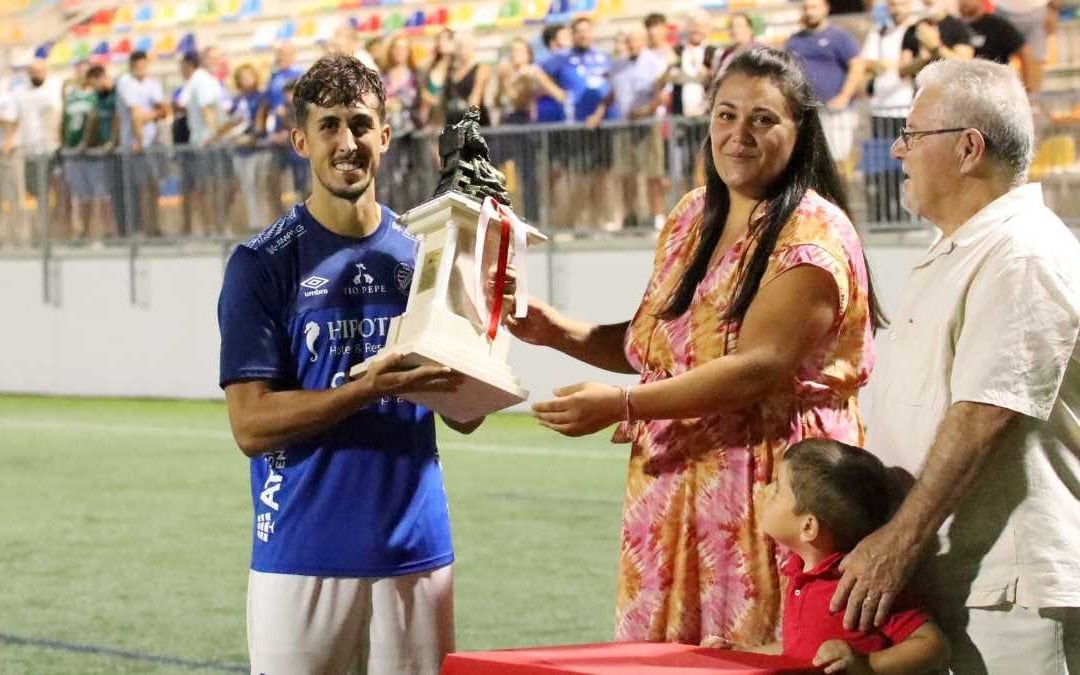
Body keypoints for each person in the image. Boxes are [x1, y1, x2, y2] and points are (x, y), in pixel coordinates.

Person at [509, 46, 882, 646]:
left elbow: (756, 370)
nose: (739, 135)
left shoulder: (813, 234)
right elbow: (659, 348)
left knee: (752, 650)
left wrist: (624, 405)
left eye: (763, 119)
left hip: (770, 488)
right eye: (726, 116)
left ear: (799, 128)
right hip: (673, 483)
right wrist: (558, 332)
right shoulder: (690, 215)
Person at [218, 54, 480, 674]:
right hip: (300, 553)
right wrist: (367, 390)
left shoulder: (428, 254)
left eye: (361, 125)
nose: (347, 143)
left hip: (416, 553)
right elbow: (250, 426)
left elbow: (467, 418)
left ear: (385, 136)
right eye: (329, 125)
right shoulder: (262, 264)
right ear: (300, 140)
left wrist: (480, 332)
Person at [832, 59, 1080, 673]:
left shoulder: (1021, 252)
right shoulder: (966, 246)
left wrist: (898, 540)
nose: (897, 150)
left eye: (913, 135)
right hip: (960, 574)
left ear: (969, 148)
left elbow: (983, 415)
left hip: (1012, 592)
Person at [704, 439, 950, 673]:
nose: (766, 490)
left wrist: (868, 664)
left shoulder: (858, 582)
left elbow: (932, 645)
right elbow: (800, 651)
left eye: (778, 488)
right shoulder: (800, 575)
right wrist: (742, 653)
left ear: (808, 527)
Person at [785, 0, 866, 165]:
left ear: (825, 9)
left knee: (838, 161)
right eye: (806, 7)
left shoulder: (839, 36)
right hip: (806, 111)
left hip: (835, 113)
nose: (809, 12)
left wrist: (844, 96)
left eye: (814, 7)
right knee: (811, 161)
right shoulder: (794, 41)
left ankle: (841, 191)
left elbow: (857, 65)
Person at [861, 0, 917, 224]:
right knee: (882, 168)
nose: (896, 9)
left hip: (905, 108)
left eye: (901, 3)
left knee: (906, 166)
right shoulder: (879, 32)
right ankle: (885, 216)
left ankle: (907, 217)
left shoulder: (913, 32)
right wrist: (877, 66)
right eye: (893, 4)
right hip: (880, 109)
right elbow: (867, 63)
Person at [607, 26, 668, 230]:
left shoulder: (654, 62)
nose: (632, 45)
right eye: (629, 41)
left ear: (643, 41)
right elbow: (612, 93)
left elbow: (662, 95)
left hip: (647, 125)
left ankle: (657, 215)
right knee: (626, 173)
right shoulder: (618, 65)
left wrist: (644, 111)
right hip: (624, 125)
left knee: (653, 172)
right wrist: (599, 112)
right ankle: (630, 216)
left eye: (636, 40)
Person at [116, 50, 167, 236]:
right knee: (140, 188)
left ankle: (154, 227)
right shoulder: (125, 83)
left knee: (154, 186)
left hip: (153, 142)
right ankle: (142, 228)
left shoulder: (153, 84)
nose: (140, 69)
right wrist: (138, 139)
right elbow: (135, 114)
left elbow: (163, 110)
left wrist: (148, 115)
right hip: (136, 145)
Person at [958, 0, 1034, 87]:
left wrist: (1027, 84)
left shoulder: (997, 25)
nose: (965, 2)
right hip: (961, 84)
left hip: (994, 85)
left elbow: (1023, 50)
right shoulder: (951, 25)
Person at [899, 0, 974, 80]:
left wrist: (935, 47)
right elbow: (902, 71)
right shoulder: (913, 29)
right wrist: (921, 58)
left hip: (950, 87)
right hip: (922, 88)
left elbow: (965, 66)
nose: (929, 1)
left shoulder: (958, 26)